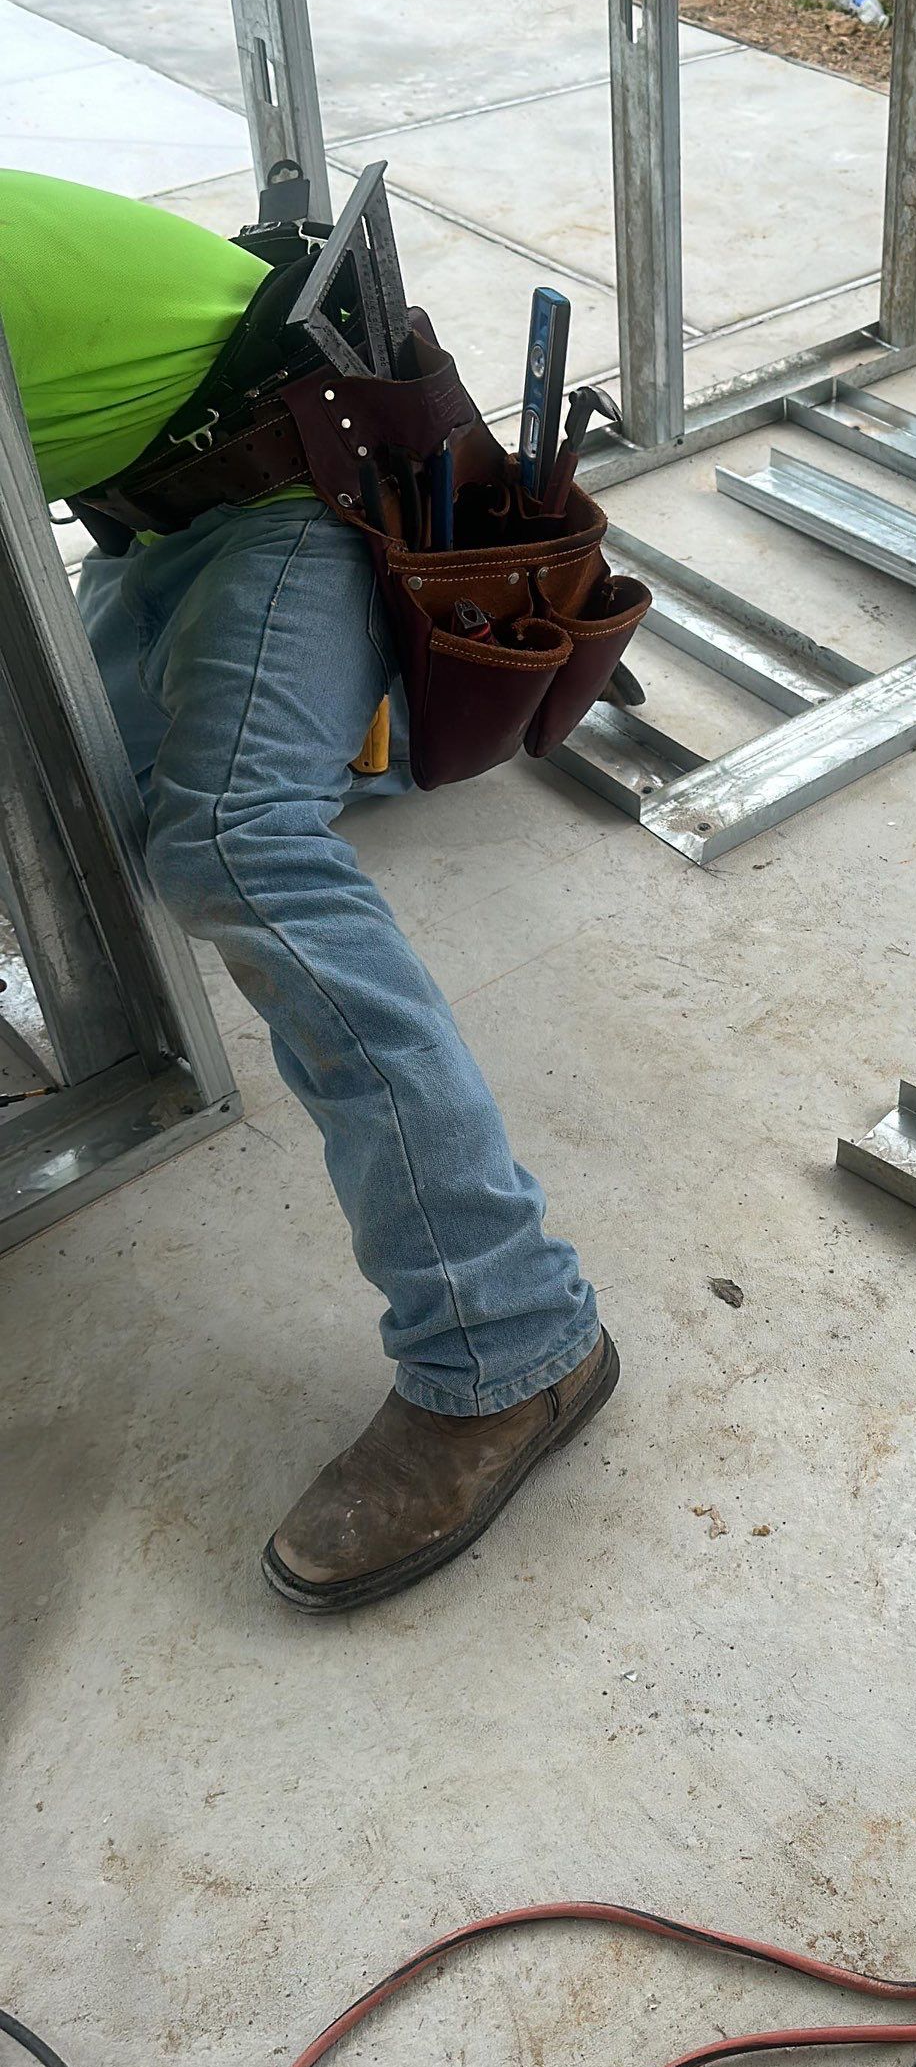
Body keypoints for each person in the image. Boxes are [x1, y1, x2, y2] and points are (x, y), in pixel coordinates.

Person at [0, 167, 616, 1613]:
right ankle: (363, 720)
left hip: (304, 481)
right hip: (161, 523)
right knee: (61, 813)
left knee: (231, 844)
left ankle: (510, 1342)